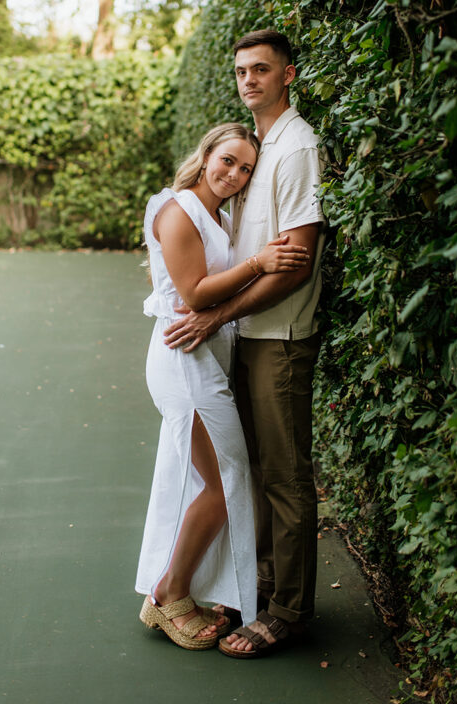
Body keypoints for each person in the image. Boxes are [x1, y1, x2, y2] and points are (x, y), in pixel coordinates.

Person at [164, 30, 325, 658]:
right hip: (250, 335)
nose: (249, 79)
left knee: (285, 477)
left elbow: (298, 262)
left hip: (281, 336)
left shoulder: (296, 147)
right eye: (240, 71)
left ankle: (288, 612)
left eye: (262, 69)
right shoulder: (259, 148)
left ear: (288, 75)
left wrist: (215, 314)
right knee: (259, 474)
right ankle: (262, 591)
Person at [135, 122, 311, 651]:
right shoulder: (177, 208)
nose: (235, 174)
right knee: (222, 480)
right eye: (228, 160)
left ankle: (176, 589)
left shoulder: (219, 215)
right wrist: (260, 262)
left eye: (246, 169)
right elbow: (191, 293)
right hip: (184, 359)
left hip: (207, 357)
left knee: (209, 479)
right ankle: (169, 596)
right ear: (206, 153)